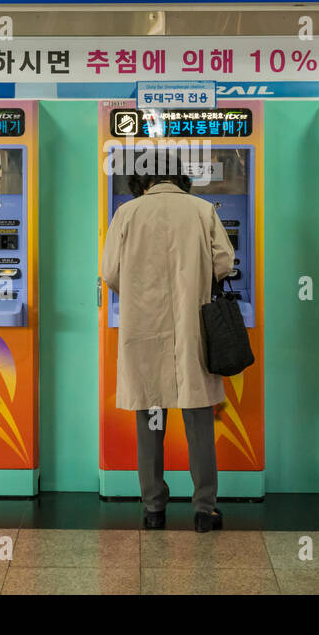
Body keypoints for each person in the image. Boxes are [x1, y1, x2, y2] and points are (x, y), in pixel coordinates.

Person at [100, 149, 235, 533]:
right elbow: (225, 263)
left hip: (144, 332)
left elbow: (110, 273)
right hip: (193, 330)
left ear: (141, 182)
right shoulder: (201, 210)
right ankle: (204, 509)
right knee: (197, 417)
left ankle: (153, 508)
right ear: (181, 178)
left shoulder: (126, 213)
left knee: (151, 416)